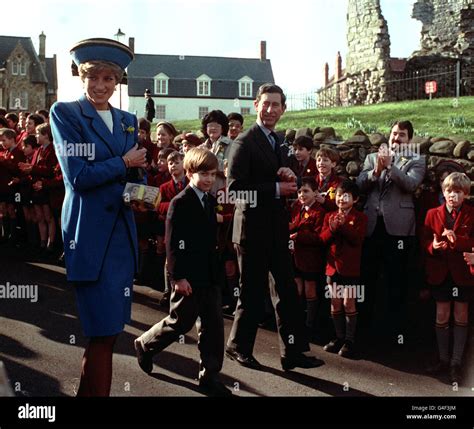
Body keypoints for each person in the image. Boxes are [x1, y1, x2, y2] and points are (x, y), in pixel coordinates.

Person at [49, 38, 147, 397]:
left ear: (118, 80)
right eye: (94, 78)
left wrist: (143, 194)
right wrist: (124, 163)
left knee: (109, 333)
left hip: (121, 237)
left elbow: (136, 175)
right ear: (82, 77)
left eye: (109, 78)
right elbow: (77, 177)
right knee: (101, 332)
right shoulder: (65, 113)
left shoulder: (127, 120)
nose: (101, 86)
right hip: (88, 236)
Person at [225, 83, 324, 371]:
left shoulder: (278, 141)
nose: (270, 110)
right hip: (251, 231)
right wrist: (276, 188)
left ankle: (292, 352)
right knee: (252, 293)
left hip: (276, 229)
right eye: (265, 103)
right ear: (256, 105)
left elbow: (290, 178)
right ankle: (237, 347)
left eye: (276, 105)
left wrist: (292, 174)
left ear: (283, 109)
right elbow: (235, 190)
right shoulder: (243, 142)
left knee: (287, 292)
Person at [134, 147, 232, 396]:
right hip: (187, 276)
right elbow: (172, 243)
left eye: (212, 174)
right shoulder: (180, 203)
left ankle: (209, 376)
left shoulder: (210, 201)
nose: (209, 179)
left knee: (213, 327)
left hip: (209, 276)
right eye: (203, 174)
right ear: (189, 173)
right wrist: (178, 277)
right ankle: (146, 345)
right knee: (180, 322)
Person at [356, 120, 426, 342]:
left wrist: (389, 167)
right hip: (373, 227)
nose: (396, 138)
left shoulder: (417, 160)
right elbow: (359, 184)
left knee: (397, 280)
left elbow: (410, 184)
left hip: (398, 230)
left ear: (409, 139)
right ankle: (363, 329)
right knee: (367, 278)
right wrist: (375, 171)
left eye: (402, 135)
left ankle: (396, 333)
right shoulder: (371, 158)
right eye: (394, 134)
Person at [423, 172, 474, 384]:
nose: (452, 195)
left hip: (462, 273)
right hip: (440, 272)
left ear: (466, 194)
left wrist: (458, 241)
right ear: (443, 192)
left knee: (461, 316)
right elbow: (423, 242)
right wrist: (433, 247)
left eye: (458, 192)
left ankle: (456, 362)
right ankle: (443, 360)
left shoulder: (472, 214)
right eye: (449, 191)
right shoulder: (432, 213)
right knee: (442, 316)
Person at [320, 180, 367, 358]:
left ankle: (350, 340)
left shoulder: (360, 217)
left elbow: (357, 239)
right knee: (335, 303)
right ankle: (338, 337)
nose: (341, 199)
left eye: (346, 196)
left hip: (350, 269)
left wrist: (343, 226)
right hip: (332, 268)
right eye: (339, 195)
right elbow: (322, 239)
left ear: (355, 199)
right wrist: (333, 227)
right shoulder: (329, 216)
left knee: (349, 302)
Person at [289, 176, 326, 337]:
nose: (302, 195)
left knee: (310, 290)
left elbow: (319, 237)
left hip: (310, 257)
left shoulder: (319, 211)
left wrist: (299, 236)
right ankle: (297, 321)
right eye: (299, 192)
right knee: (297, 289)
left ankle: (310, 324)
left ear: (316, 192)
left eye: (306, 191)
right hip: (295, 256)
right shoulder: (296, 207)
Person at [201, 110, 234, 196]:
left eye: (217, 126)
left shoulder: (231, 145)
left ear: (223, 128)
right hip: (203, 192)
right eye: (210, 125)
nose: (213, 128)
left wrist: (209, 161)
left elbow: (229, 170)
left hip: (222, 192)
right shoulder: (201, 148)